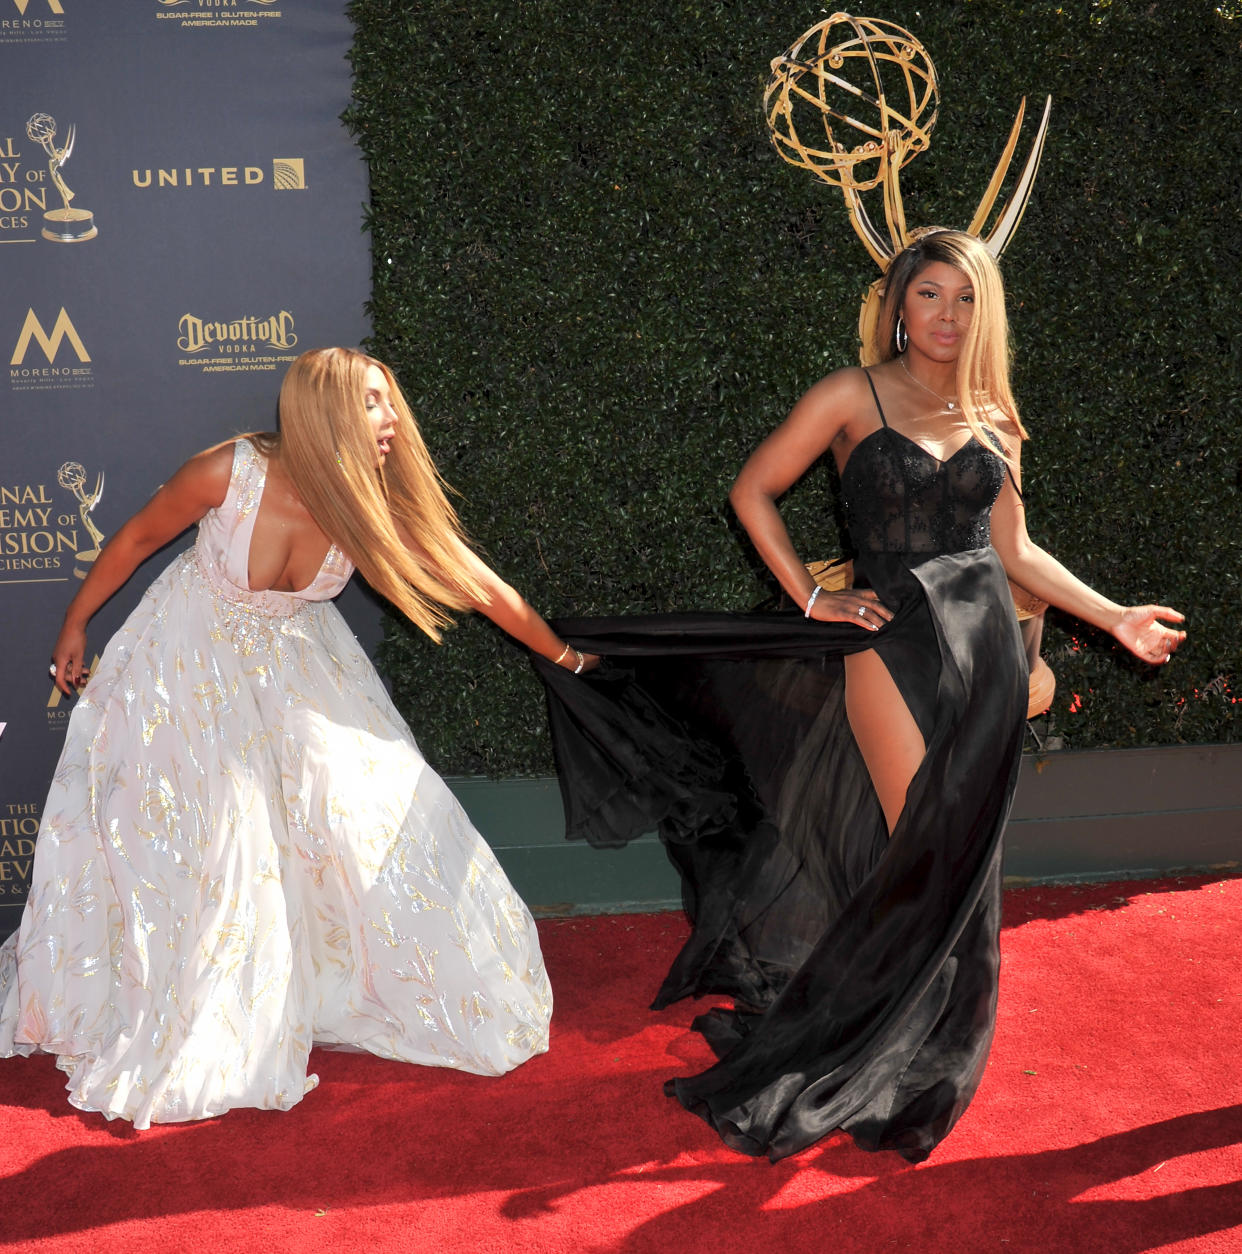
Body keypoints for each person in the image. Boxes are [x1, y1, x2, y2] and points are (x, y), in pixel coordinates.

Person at [535, 228, 1185, 1162]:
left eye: (965, 300)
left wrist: (1112, 615)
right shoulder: (852, 393)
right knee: (916, 850)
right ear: (897, 305)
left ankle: (928, 1045)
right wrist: (810, 594)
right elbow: (752, 491)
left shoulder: (995, 417)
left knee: (968, 856)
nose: (947, 317)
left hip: (986, 651)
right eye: (929, 296)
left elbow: (1015, 553)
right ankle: (865, 1042)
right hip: (889, 642)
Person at [0, 346, 595, 1128]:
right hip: (186, 667)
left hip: (297, 669)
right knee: (219, 854)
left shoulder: (369, 505)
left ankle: (360, 981)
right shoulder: (227, 472)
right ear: (326, 410)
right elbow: (139, 538)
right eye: (374, 402)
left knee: (376, 811)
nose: (391, 421)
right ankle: (195, 1005)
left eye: (389, 402)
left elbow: (480, 587)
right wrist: (77, 622)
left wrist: (570, 658)